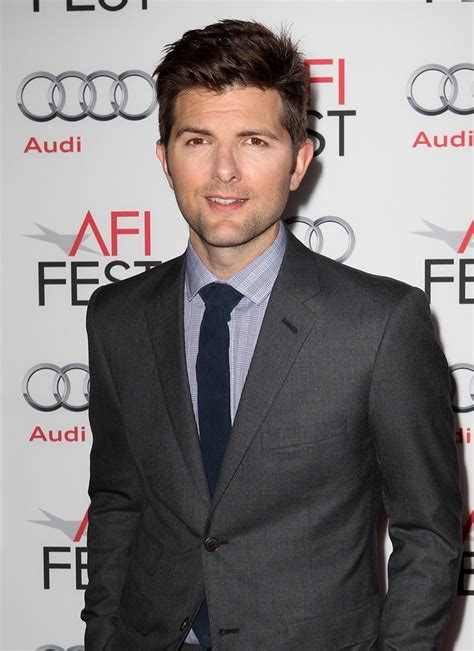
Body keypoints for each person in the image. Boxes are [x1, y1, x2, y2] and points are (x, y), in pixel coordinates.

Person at [81, 19, 462, 650]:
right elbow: (118, 503)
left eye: (254, 141)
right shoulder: (116, 317)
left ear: (299, 160)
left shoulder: (380, 324)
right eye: (197, 140)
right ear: (164, 158)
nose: (224, 170)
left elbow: (429, 534)